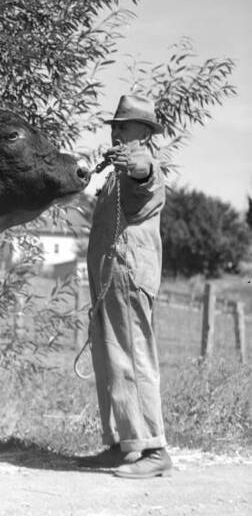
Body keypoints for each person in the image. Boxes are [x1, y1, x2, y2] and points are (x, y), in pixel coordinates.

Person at [77, 94, 172, 478]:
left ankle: (154, 449)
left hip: (128, 276)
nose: (116, 130)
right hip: (110, 278)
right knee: (111, 360)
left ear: (145, 132)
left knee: (133, 359)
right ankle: (122, 444)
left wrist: (135, 165)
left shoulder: (144, 164)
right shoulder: (115, 173)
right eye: (114, 125)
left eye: (124, 125)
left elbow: (144, 176)